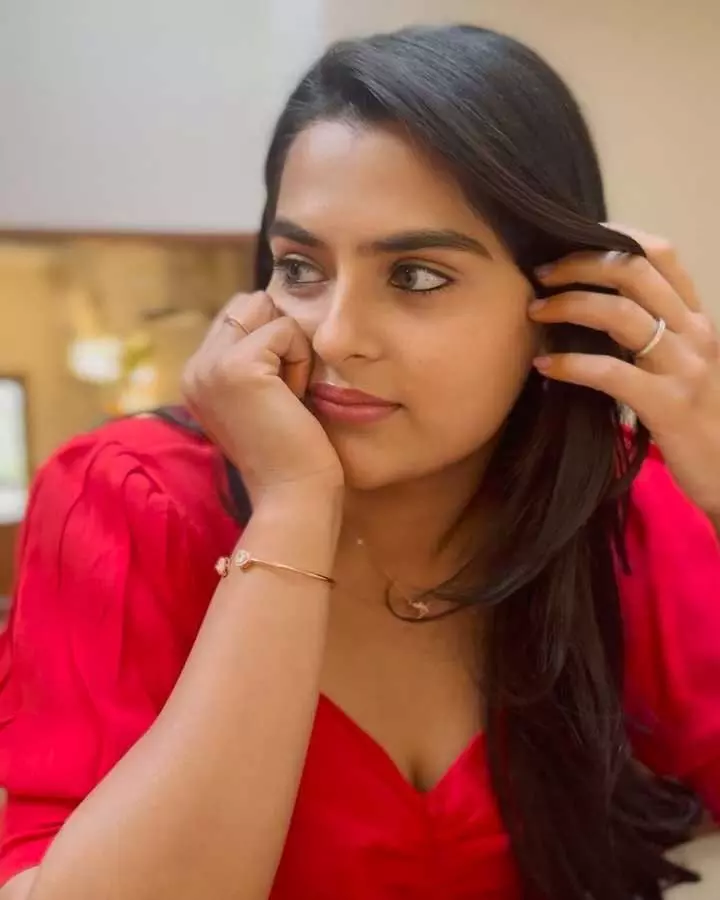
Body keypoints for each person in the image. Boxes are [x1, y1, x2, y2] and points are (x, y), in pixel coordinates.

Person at [0, 23, 718, 900]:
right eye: (300, 267)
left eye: (415, 276)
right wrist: (293, 507)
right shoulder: (130, 494)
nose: (335, 335)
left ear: (563, 303)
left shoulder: (624, 505)